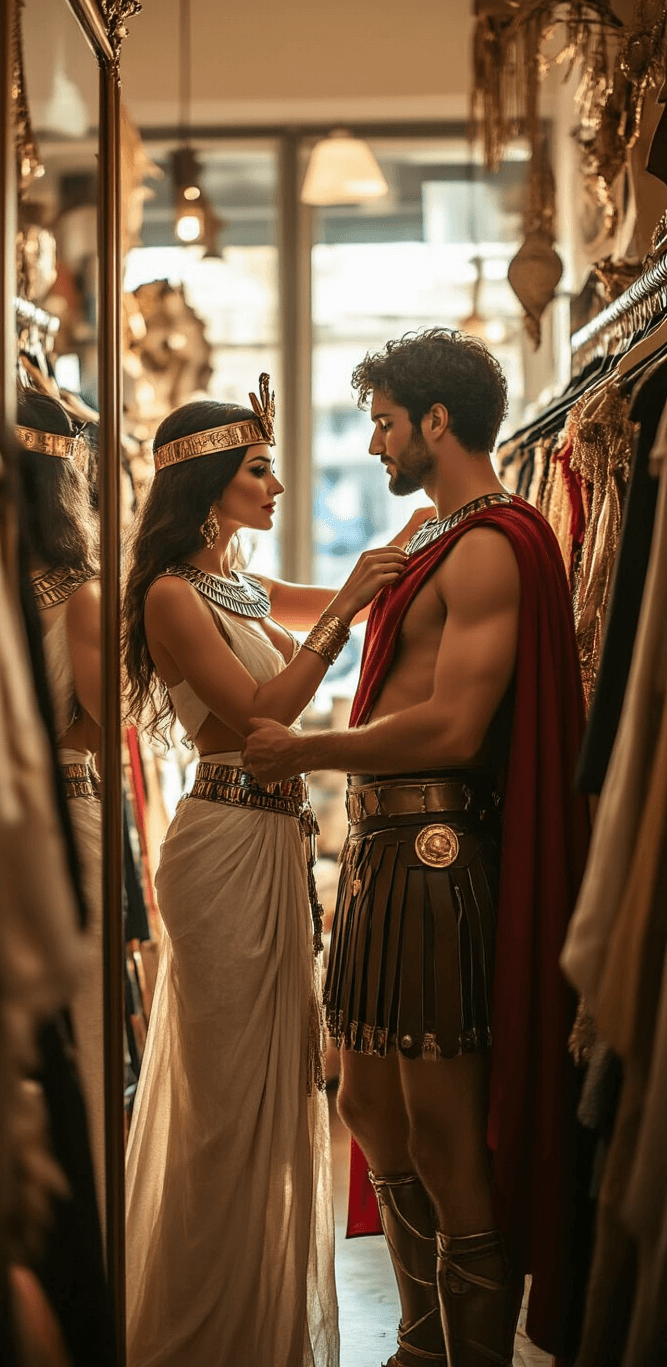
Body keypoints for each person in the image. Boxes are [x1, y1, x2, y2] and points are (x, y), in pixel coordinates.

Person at [244, 331, 591, 1367]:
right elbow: (334, 611)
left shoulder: (492, 543)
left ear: (437, 421)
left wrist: (304, 747)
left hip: (438, 857)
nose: (377, 441)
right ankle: (419, 1340)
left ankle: (461, 1357)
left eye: (386, 421)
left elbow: (451, 725)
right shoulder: (435, 533)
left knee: (442, 1132)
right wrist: (210, 574)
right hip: (386, 853)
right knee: (368, 1107)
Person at [121, 376, 416, 1367]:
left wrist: (418, 559)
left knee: (275, 1083)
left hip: (270, 845)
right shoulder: (169, 595)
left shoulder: (233, 581)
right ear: (209, 481)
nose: (280, 483)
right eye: (259, 469)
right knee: (226, 1101)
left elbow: (347, 602)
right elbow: (261, 718)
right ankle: (201, 1333)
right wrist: (347, 606)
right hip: (219, 848)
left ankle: (259, 1329)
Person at [17, 389, 105, 1232]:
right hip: (23, 811)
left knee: (73, 1030)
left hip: (62, 809)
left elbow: (107, 720)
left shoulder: (76, 591)